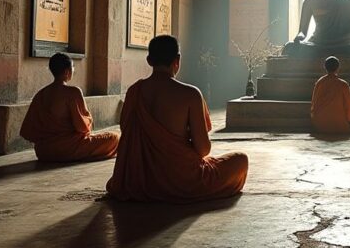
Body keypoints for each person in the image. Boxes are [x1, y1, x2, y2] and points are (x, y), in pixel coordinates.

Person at [106, 35, 248, 203]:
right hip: (181, 180)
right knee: (240, 160)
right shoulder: (190, 94)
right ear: (177, 60)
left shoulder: (134, 92)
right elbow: (203, 150)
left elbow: (127, 132)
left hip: (140, 179)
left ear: (149, 60)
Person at [19, 53, 119, 162]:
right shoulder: (73, 92)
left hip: (43, 151)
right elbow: (82, 127)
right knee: (114, 138)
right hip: (67, 149)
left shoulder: (41, 94)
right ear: (67, 72)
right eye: (72, 68)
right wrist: (88, 119)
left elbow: (27, 131)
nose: (73, 71)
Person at [310, 56, 350, 134]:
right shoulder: (343, 84)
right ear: (338, 68)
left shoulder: (320, 83)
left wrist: (316, 120)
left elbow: (314, 105)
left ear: (325, 67)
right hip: (340, 126)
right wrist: (349, 119)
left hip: (320, 125)